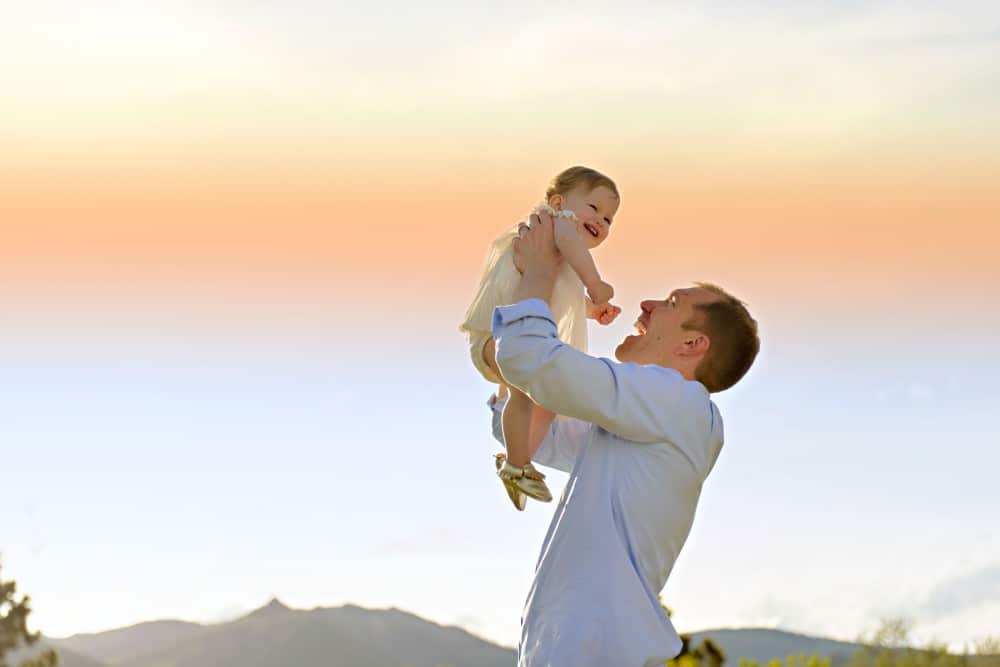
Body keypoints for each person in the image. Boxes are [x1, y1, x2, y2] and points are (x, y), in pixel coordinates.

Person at [489, 212, 759, 667]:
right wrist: (553, 297)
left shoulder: (680, 404)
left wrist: (538, 271)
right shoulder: (652, 418)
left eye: (671, 303)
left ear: (693, 345)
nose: (648, 305)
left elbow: (532, 360)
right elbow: (530, 426)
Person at [460, 166, 622, 510]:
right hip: (495, 337)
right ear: (559, 202)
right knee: (528, 389)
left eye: (609, 219)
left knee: (544, 396)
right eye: (594, 208)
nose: (602, 222)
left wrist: (590, 309)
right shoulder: (555, 227)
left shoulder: (554, 248)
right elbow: (573, 253)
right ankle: (515, 464)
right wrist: (597, 284)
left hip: (508, 341)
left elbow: (559, 294)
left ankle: (517, 460)